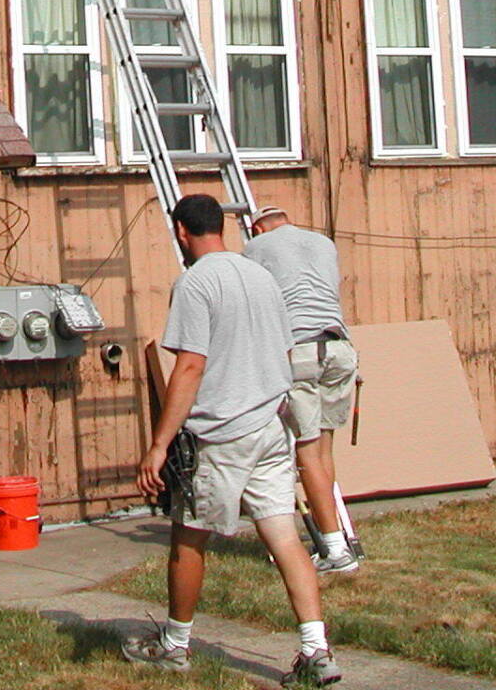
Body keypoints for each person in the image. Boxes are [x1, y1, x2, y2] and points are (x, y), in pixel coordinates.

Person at [128, 194, 340, 686]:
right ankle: (317, 650)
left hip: (221, 434)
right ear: (220, 228)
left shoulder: (196, 283)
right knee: (285, 537)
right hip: (270, 427)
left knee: (188, 539)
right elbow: (284, 347)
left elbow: (190, 366)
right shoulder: (260, 275)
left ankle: (175, 646)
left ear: (182, 231)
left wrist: (159, 445)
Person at [244, 207, 361, 573]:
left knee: (306, 456)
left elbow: (257, 304)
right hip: (339, 348)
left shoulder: (256, 248)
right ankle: (337, 537)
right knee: (323, 452)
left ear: (256, 228)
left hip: (301, 352)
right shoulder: (322, 243)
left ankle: (335, 551)